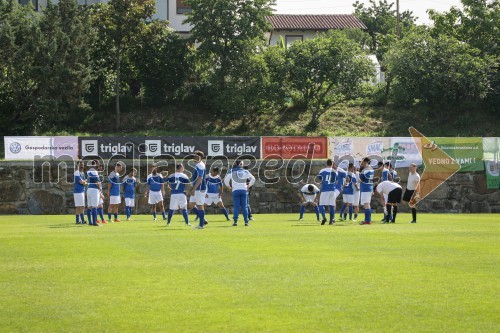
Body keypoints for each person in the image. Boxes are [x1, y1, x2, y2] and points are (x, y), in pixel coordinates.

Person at [224, 161, 255, 226]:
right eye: (242, 164)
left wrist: (229, 187)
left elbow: (226, 180)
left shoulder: (232, 171)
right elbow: (253, 179)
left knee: (236, 207)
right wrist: (249, 185)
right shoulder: (245, 171)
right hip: (244, 190)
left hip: (235, 190)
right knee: (244, 207)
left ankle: (235, 222)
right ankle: (246, 222)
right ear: (241, 165)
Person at [188, 151, 207, 229]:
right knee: (191, 205)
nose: (194, 157)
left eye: (195, 155)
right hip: (196, 188)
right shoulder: (197, 165)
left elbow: (200, 178)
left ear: (200, 157)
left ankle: (201, 225)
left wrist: (194, 189)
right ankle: (203, 220)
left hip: (200, 189)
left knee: (200, 206)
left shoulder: (201, 165)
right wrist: (192, 188)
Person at [317, 159, 337, 225]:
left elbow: (319, 179)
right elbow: (336, 181)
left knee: (321, 205)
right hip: (332, 189)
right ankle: (331, 221)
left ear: (326, 163)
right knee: (332, 205)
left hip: (325, 189)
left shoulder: (322, 170)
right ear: (332, 164)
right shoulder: (335, 171)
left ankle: (324, 217)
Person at [359, 157, 375, 225]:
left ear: (365, 162)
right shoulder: (371, 169)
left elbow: (361, 180)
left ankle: (367, 221)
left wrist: (359, 179)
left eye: (362, 161)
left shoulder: (364, 170)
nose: (361, 162)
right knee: (367, 204)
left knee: (366, 205)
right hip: (370, 187)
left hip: (365, 188)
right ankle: (368, 219)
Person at [86, 160, 102, 226]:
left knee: (89, 207)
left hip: (89, 189)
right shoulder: (95, 172)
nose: (99, 165)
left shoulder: (88, 171)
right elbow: (97, 182)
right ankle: (94, 222)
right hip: (94, 190)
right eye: (98, 164)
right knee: (94, 207)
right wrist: (99, 188)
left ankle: (90, 222)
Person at [73, 160, 87, 224]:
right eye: (80, 164)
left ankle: (78, 220)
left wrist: (84, 182)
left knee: (81, 206)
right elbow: (81, 182)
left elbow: (84, 181)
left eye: (82, 164)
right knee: (80, 206)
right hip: (78, 191)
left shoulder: (83, 173)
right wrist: (84, 182)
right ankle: (81, 220)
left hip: (82, 191)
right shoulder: (76, 172)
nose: (81, 165)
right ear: (77, 165)